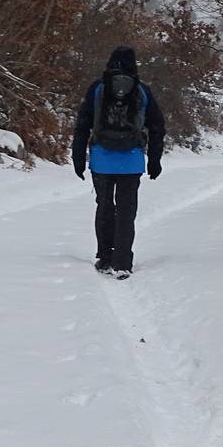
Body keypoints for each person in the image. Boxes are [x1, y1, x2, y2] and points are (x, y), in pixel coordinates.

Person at [71, 46, 166, 279]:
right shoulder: (142, 90)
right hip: (131, 161)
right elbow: (157, 126)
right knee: (126, 210)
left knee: (104, 206)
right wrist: (154, 160)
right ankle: (122, 262)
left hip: (101, 160)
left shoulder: (97, 88)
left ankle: (105, 258)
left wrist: (78, 157)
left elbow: (82, 125)